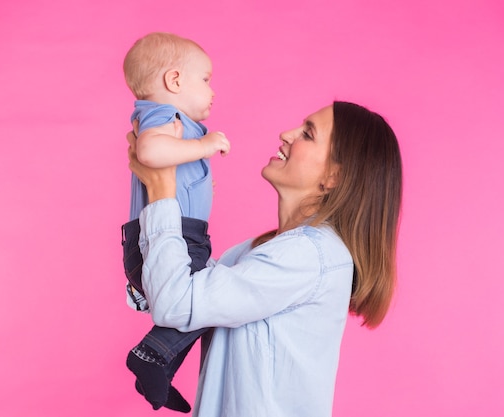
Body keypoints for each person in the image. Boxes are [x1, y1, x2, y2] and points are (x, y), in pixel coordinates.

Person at [126, 101, 403, 416]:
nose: (286, 134)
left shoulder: (307, 256)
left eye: (308, 134)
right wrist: (179, 196)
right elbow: (170, 291)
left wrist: (163, 190)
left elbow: (174, 303)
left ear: (334, 176)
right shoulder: (255, 252)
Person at [120, 32, 230, 412]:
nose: (212, 90)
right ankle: (152, 356)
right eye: (206, 79)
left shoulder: (173, 122)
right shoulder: (164, 114)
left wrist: (197, 176)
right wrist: (204, 146)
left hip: (175, 235)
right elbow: (150, 150)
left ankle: (159, 367)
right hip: (169, 236)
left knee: (205, 303)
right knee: (206, 301)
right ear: (174, 81)